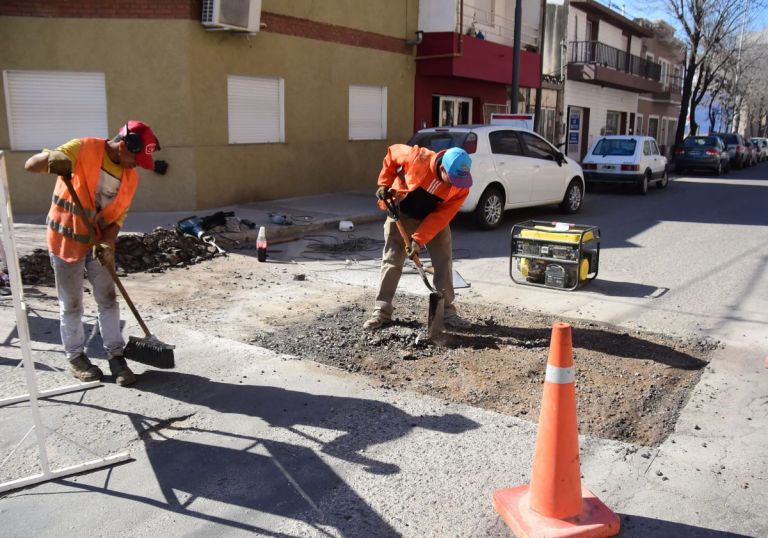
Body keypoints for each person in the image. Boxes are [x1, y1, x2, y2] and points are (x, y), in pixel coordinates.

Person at [24, 121, 161, 386]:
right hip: (66, 239)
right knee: (72, 303)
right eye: (136, 158)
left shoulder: (131, 177)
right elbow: (31, 166)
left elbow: (117, 219)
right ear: (123, 146)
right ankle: (76, 357)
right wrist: (52, 159)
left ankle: (116, 356)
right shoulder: (83, 148)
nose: (137, 165)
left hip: (97, 241)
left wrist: (108, 245)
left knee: (108, 299)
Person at [364, 145, 473, 330]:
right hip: (401, 213)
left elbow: (441, 217)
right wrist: (384, 183)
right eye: (452, 179)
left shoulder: (461, 188)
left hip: (433, 220)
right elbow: (392, 154)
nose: (456, 184)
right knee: (391, 261)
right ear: (442, 168)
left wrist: (418, 240)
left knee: (443, 262)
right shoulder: (418, 157)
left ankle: (446, 312)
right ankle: (381, 311)